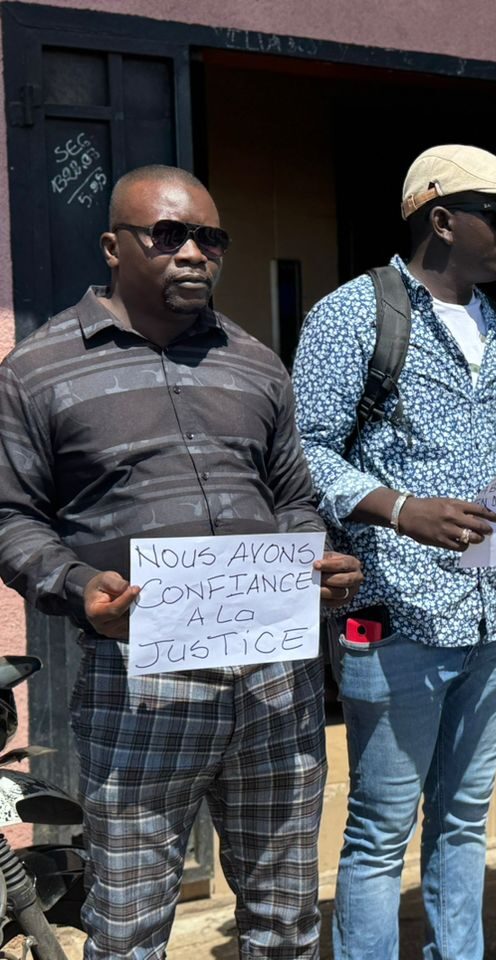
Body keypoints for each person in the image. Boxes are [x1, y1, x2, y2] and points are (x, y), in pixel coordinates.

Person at [0, 164, 363, 960]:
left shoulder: (255, 363)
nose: (194, 253)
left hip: (274, 682)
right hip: (141, 683)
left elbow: (294, 498)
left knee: (287, 922)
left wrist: (312, 560)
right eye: (168, 235)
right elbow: (12, 517)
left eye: (210, 239)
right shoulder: (38, 371)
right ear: (113, 247)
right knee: (129, 931)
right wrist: (76, 586)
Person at [291, 145, 496, 960]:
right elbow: (305, 451)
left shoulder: (495, 322)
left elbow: (487, 454)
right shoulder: (353, 314)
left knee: (464, 820)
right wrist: (401, 510)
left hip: (494, 613)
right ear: (441, 219)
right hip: (398, 618)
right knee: (380, 830)